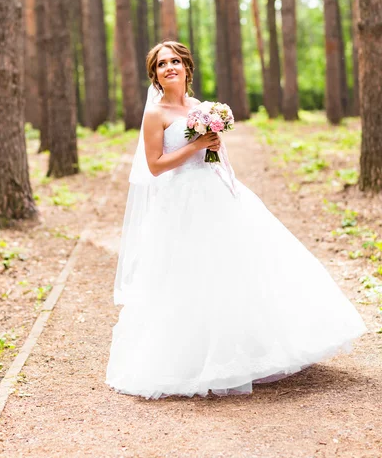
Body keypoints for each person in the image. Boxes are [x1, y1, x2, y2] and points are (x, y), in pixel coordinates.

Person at [106, 41, 367, 399]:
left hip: (216, 191)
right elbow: (154, 165)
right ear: (154, 75)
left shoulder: (199, 107)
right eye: (162, 63)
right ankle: (191, 358)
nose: (170, 67)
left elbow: (214, 152)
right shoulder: (156, 114)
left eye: (176, 61)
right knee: (190, 274)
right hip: (181, 200)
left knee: (237, 267)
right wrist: (195, 147)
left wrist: (214, 149)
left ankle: (250, 350)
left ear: (186, 69)